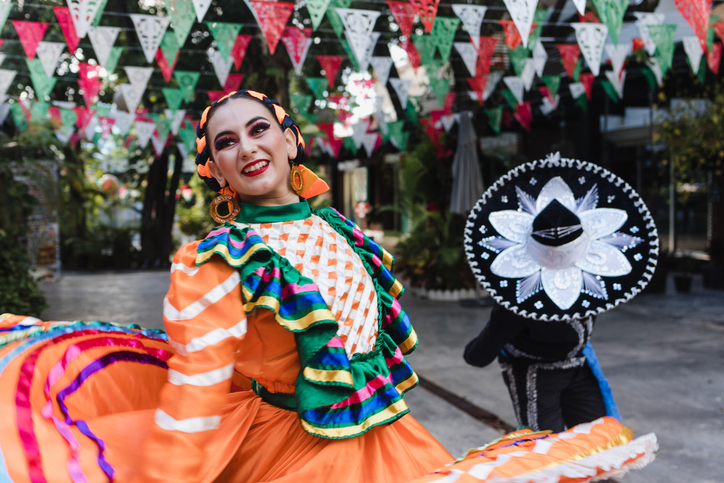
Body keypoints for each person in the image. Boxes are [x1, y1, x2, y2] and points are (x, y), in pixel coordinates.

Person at [0, 93, 656, 483]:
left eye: (259, 129)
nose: (246, 146)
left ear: (289, 139)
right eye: (225, 141)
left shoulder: (342, 229)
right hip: (282, 447)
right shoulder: (215, 260)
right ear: (217, 168)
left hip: (383, 433)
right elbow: (198, 385)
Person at [464, 304, 615, 432]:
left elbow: (476, 356)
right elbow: (478, 356)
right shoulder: (521, 299)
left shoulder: (591, 284)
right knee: (547, 453)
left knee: (598, 441)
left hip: (577, 367)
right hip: (535, 377)